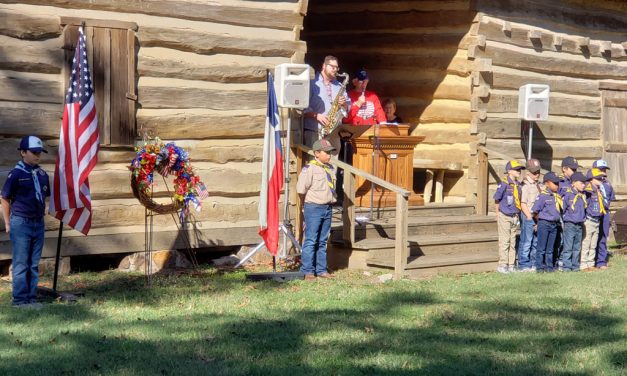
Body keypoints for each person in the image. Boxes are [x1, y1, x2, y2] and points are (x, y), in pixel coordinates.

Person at [1, 136, 50, 308]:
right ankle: (20, 300)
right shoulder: (16, 174)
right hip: (21, 222)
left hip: (38, 223)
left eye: (39, 153)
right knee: (21, 262)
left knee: (33, 263)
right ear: (23, 152)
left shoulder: (42, 175)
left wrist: (44, 209)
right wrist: (8, 222)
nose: (37, 156)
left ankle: (31, 297)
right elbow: (5, 198)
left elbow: (45, 195)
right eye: (34, 152)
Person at [296, 138, 337, 280]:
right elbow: (301, 190)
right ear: (317, 153)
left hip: (327, 207)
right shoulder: (309, 169)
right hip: (313, 207)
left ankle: (321, 269)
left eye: (330, 152)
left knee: (323, 240)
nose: (329, 155)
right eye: (326, 153)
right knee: (311, 240)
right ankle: (307, 270)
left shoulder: (330, 168)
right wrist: (305, 206)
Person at [303, 55, 349, 148]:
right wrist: (316, 115)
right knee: (313, 161)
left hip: (334, 133)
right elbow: (302, 106)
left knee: (334, 163)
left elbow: (347, 107)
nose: (335, 69)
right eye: (332, 67)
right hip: (315, 131)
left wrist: (344, 104)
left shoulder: (340, 86)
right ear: (324, 66)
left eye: (337, 67)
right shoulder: (312, 83)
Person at [493, 160, 525, 273]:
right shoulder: (504, 184)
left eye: (520, 169)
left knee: (512, 241)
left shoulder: (518, 185)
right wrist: (497, 213)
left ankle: (511, 264)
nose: (519, 171)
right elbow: (497, 199)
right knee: (504, 241)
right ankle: (503, 264)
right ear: (509, 171)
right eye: (516, 170)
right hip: (505, 215)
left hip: (515, 216)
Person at [531, 172, 562, 272]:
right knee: (541, 248)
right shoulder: (543, 196)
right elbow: (535, 211)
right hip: (544, 224)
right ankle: (539, 267)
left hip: (554, 224)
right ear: (547, 183)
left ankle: (549, 267)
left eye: (558, 183)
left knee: (550, 248)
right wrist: (540, 221)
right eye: (555, 183)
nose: (557, 185)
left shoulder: (557, 196)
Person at [559, 171, 588, 272]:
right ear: (574, 183)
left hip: (579, 224)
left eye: (584, 183)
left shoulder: (582, 196)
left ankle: (575, 266)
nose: (584, 185)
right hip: (570, 224)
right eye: (581, 183)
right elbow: (563, 208)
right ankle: (566, 266)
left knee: (577, 247)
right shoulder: (568, 195)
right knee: (568, 247)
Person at [580, 168, 607, 272]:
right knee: (586, 243)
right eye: (598, 178)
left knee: (593, 243)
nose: (601, 179)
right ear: (591, 179)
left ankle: (590, 263)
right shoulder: (588, 190)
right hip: (589, 220)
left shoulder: (598, 190)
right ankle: (583, 264)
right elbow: (584, 204)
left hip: (596, 220)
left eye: (601, 178)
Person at [518, 158, 542, 272]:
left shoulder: (538, 185)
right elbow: (523, 203)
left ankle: (533, 262)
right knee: (526, 240)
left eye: (538, 171)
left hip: (537, 216)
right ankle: (523, 263)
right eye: (534, 172)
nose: (537, 174)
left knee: (535, 241)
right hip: (528, 215)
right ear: (528, 172)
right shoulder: (525, 185)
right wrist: (528, 217)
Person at [592, 159, 614, 269]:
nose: (604, 172)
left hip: (605, 212)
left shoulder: (607, 184)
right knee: (592, 236)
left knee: (603, 236)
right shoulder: (590, 183)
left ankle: (601, 261)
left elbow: (610, 198)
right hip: (594, 213)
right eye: (601, 169)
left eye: (605, 169)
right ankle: (591, 260)